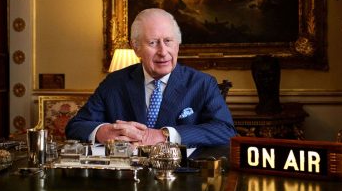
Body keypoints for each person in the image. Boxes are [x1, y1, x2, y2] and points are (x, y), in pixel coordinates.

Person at [65, 8, 236, 147]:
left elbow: (225, 131)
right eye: (153, 43)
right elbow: (76, 126)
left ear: (177, 45)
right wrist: (105, 132)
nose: (163, 52)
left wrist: (165, 135)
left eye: (168, 41)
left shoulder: (202, 84)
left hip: (181, 177)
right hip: (126, 180)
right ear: (136, 47)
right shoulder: (115, 83)